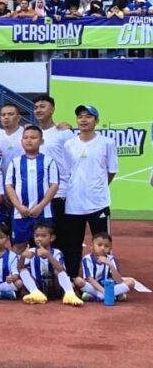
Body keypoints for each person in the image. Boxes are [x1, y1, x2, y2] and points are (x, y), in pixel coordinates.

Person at [60, 104, 117, 278]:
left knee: (102, 243)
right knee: (72, 244)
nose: (83, 120)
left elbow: (111, 170)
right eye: (80, 117)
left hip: (98, 203)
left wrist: (97, 188)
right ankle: (71, 279)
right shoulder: (69, 144)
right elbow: (66, 170)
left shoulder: (107, 143)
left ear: (96, 121)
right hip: (73, 203)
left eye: (88, 116)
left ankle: (104, 279)